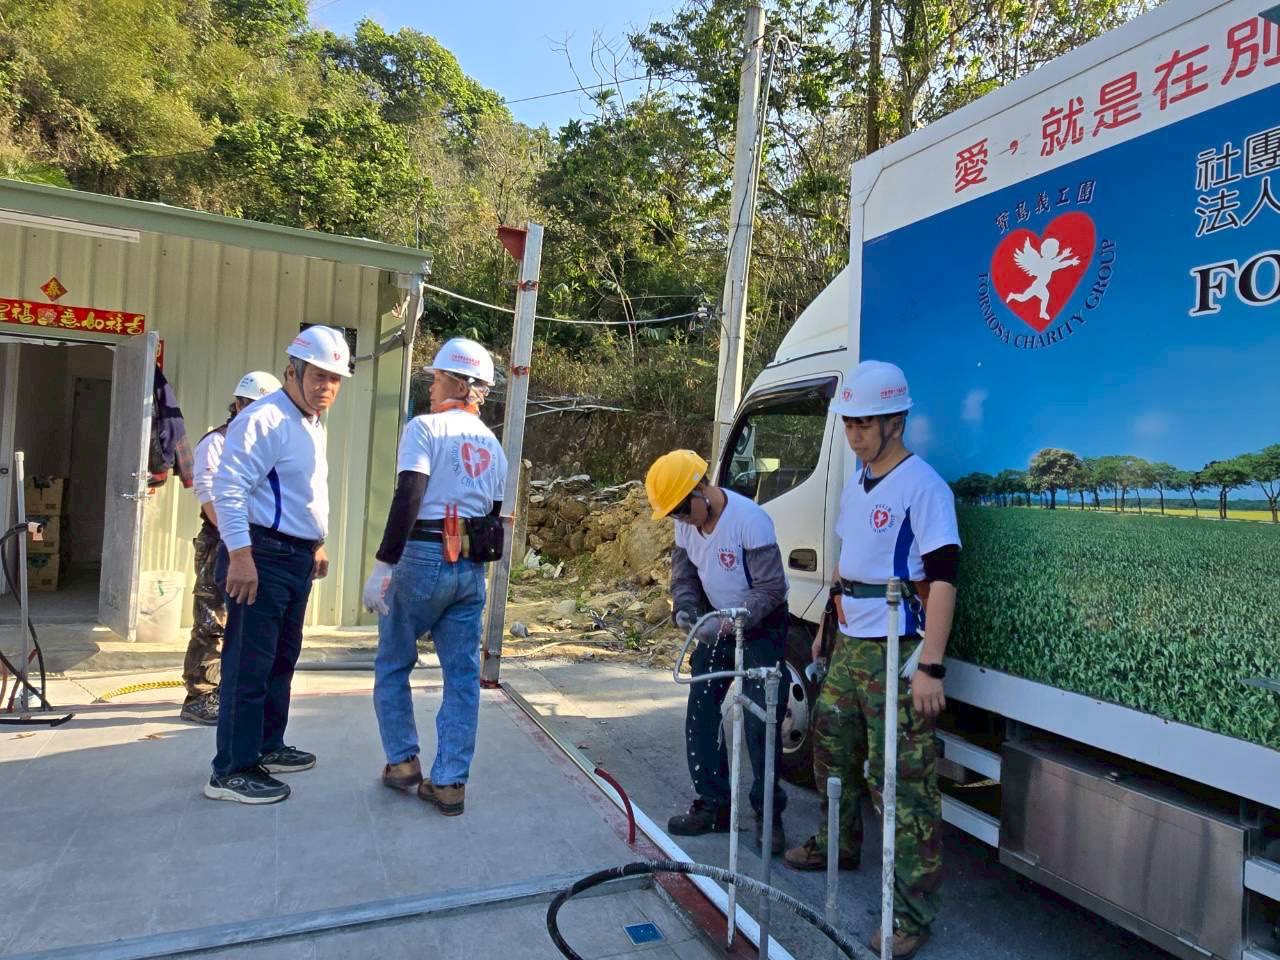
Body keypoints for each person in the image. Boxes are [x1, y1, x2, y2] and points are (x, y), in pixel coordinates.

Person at [783, 360, 960, 960]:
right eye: (849, 422)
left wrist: (931, 665)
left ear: (895, 421)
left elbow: (943, 578)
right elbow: (847, 563)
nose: (854, 433)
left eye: (864, 423)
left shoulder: (924, 488)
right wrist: (825, 628)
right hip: (850, 642)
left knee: (901, 782)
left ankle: (911, 913)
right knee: (831, 747)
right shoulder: (856, 482)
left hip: (898, 649)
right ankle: (839, 842)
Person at [203, 325, 351, 805]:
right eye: (318, 375)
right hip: (261, 555)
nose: (327, 386)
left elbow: (304, 492)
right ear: (293, 372)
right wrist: (240, 556)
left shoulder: (310, 422)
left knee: (280, 660)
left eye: (335, 378)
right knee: (248, 665)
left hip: (295, 557)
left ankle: (267, 744)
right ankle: (231, 770)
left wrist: (316, 544)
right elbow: (228, 488)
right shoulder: (263, 419)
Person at [363, 337, 507, 818]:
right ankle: (449, 783)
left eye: (438, 378)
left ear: (460, 384)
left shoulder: (424, 429)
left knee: (394, 660)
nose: (430, 387)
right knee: (462, 676)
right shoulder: (494, 447)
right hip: (470, 568)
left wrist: (384, 564)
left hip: (422, 555)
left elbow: (410, 493)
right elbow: (492, 514)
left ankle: (403, 761)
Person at [646, 449, 789, 854]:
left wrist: (730, 622)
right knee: (702, 710)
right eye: (672, 513)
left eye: (682, 508)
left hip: (762, 626)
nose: (680, 518)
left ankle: (768, 815)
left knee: (761, 719)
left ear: (702, 490)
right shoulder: (686, 526)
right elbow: (684, 575)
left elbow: (771, 589)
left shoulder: (750, 522)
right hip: (716, 618)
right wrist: (686, 608)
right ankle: (714, 804)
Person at [180, 370, 282, 725]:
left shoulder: (268, 445)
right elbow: (210, 498)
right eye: (251, 405)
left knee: (247, 622)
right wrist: (236, 543)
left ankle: (230, 691)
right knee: (213, 617)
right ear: (237, 405)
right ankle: (200, 696)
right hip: (222, 541)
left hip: (258, 542)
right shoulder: (217, 442)